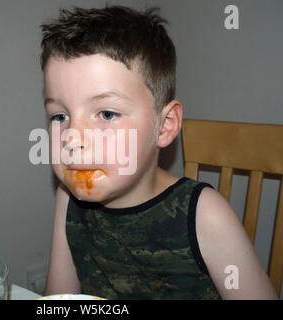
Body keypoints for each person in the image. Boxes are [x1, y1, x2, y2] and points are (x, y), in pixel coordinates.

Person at [39, 5, 277, 299]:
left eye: (107, 114)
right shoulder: (68, 198)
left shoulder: (204, 215)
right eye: (59, 116)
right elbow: (59, 302)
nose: (72, 139)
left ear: (164, 126)